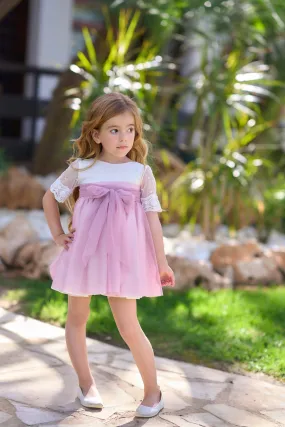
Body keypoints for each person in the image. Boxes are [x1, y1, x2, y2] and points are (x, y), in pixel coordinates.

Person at [42, 92, 175, 418]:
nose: (124, 137)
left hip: (123, 258)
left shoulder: (140, 173)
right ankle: (86, 384)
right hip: (84, 255)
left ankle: (152, 392)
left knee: (128, 326)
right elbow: (49, 198)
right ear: (96, 134)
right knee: (77, 318)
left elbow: (152, 220)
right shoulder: (83, 168)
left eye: (130, 129)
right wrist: (58, 234)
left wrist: (162, 263)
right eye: (114, 130)